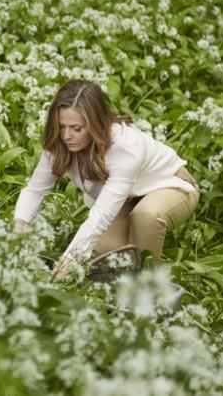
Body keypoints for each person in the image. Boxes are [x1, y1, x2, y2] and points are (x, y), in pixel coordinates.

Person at [13, 80, 200, 281]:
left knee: (146, 217)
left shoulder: (125, 146)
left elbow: (102, 213)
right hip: (126, 199)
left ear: (96, 124)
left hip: (169, 186)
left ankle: (147, 288)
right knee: (102, 257)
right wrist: (20, 226)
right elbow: (35, 190)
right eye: (61, 126)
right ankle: (129, 265)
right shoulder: (59, 144)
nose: (67, 136)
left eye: (77, 128)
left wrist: (69, 257)